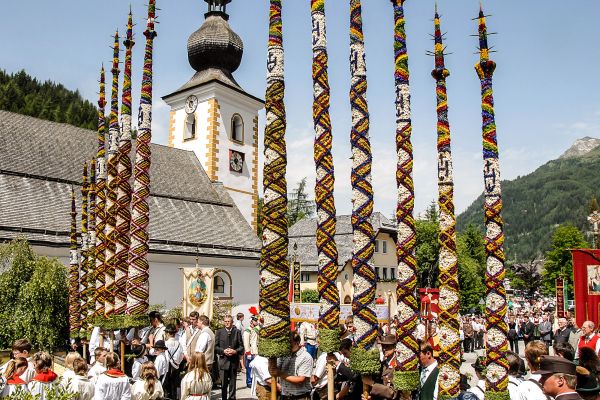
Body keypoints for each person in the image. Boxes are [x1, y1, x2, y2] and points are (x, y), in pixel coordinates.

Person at [269, 332, 313, 400]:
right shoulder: (284, 355)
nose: (287, 346)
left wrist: (280, 373)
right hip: (285, 396)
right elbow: (273, 371)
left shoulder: (306, 357)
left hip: (300, 397)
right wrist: (271, 356)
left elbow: (300, 380)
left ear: (297, 342)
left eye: (290, 343)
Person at [215, 315, 244, 400]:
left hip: (233, 362)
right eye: (225, 321)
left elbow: (241, 347)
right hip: (223, 361)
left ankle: (232, 398)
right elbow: (215, 347)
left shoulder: (237, 332)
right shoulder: (219, 332)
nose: (227, 323)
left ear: (232, 322)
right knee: (223, 384)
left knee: (232, 383)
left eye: (229, 321)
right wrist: (223, 351)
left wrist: (235, 351)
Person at [363, 335, 400, 400]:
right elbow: (380, 387)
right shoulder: (382, 364)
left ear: (394, 347)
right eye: (383, 346)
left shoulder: (399, 365)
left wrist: (372, 383)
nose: (384, 349)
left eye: (387, 346)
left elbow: (392, 393)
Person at [163, 324, 184, 399]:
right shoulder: (179, 344)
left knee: (167, 387)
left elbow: (164, 357)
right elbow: (181, 356)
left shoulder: (165, 344)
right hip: (176, 367)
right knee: (174, 386)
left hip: (167, 368)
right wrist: (176, 363)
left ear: (168, 333)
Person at [242, 315, 259, 388]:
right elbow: (246, 342)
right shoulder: (247, 330)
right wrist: (248, 352)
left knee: (255, 368)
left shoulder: (255, 329)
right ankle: (249, 382)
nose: (257, 322)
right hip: (251, 352)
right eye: (255, 320)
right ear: (251, 321)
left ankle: (254, 381)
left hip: (256, 351)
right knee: (249, 368)